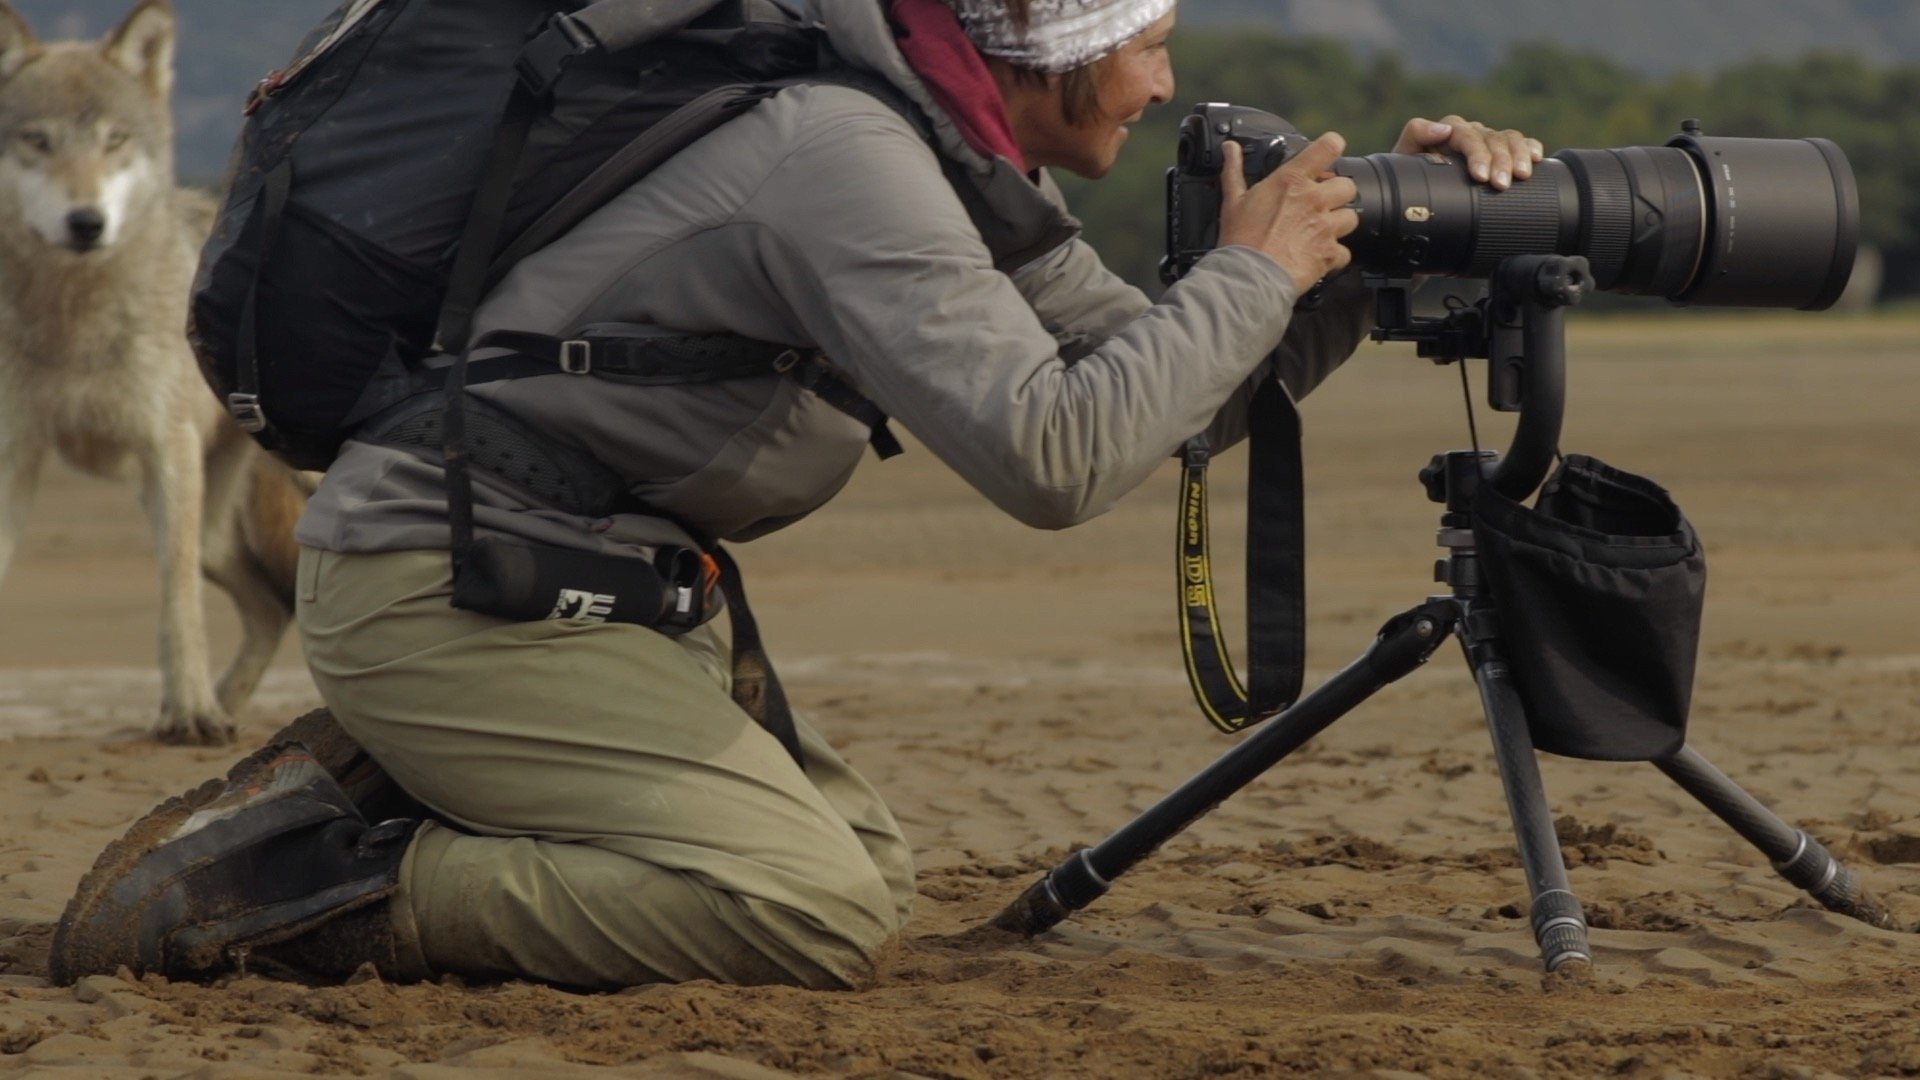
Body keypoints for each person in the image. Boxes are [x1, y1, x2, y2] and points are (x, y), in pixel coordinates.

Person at [50, 0, 1542, 991]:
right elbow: (1060, 455)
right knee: (805, 907)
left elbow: (1173, 393)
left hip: (579, 589)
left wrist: (1398, 242)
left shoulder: (948, 171)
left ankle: (409, 776)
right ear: (1046, 37)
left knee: (863, 863)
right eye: (1143, 40)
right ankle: (318, 878)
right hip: (459, 586)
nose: (1163, 82)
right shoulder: (843, 158)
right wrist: (1249, 269)